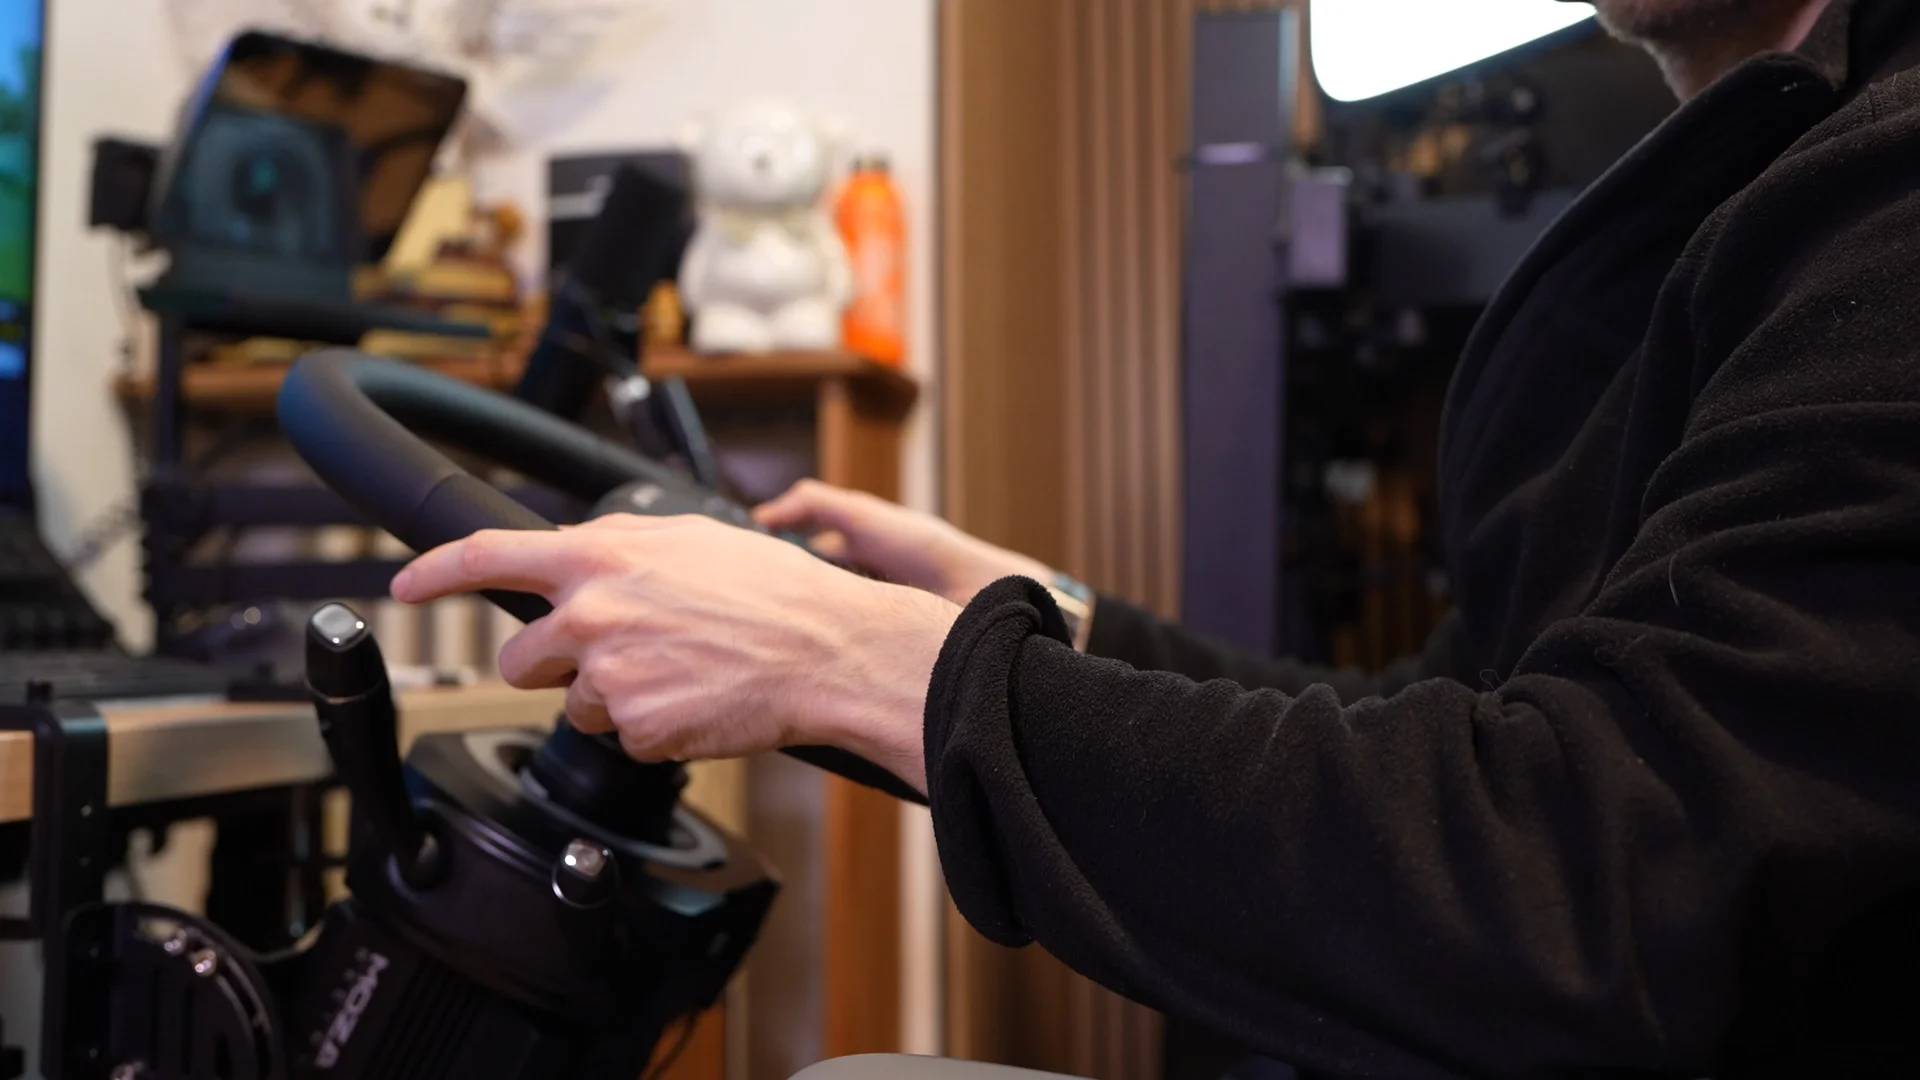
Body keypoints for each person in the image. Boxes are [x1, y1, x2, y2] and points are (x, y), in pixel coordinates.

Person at [391, 0, 1920, 1073]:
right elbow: (1445, 731)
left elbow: (1597, 878)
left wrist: (870, 665)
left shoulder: (1885, 205)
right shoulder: (1763, 200)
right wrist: (1043, 618)